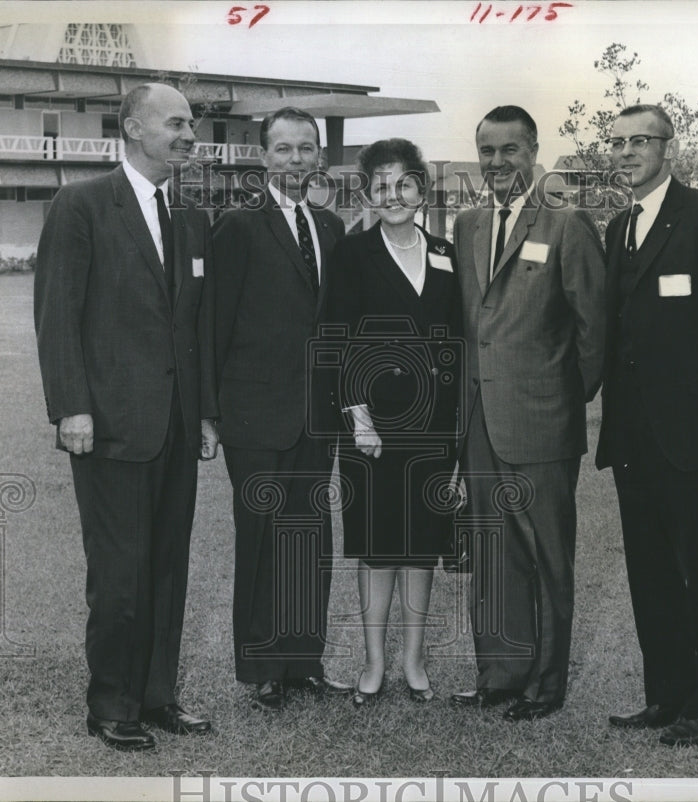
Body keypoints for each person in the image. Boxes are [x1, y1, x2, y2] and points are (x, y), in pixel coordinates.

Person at [34, 83, 218, 751]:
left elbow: (191, 330)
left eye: (191, 123)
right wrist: (71, 407)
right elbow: (58, 315)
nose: (188, 134)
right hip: (108, 426)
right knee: (119, 571)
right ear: (134, 128)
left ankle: (157, 697)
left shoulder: (191, 218)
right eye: (175, 123)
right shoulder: (81, 205)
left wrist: (204, 416)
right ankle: (112, 704)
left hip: (176, 426)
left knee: (168, 567)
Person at [596, 104, 698, 747]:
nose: (628, 152)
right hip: (633, 438)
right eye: (619, 143)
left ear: (669, 147)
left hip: (692, 437)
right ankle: (663, 695)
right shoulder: (617, 227)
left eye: (641, 141)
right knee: (650, 571)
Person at [450, 106, 605, 721]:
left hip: (542, 421)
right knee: (490, 553)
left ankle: (545, 684)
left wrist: (565, 400)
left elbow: (594, 328)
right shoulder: (465, 224)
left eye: (510, 150)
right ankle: (500, 674)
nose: (497, 163)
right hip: (480, 421)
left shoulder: (567, 224)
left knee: (544, 556)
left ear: (534, 151)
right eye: (487, 151)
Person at [213, 107, 349, 712]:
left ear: (317, 155)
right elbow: (214, 325)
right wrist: (210, 414)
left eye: (305, 149)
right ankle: (265, 669)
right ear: (264, 156)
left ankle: (304, 661)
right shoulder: (238, 227)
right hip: (254, 415)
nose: (296, 160)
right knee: (263, 539)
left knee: (310, 539)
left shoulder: (331, 228)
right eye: (283, 149)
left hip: (316, 417)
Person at [322, 139, 462, 707]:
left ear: (422, 192)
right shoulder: (352, 254)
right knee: (377, 548)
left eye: (404, 183)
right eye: (381, 186)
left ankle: (415, 661)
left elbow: (456, 338)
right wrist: (360, 419)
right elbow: (336, 341)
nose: (393, 195)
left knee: (421, 547)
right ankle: (375, 664)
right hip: (372, 431)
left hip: (434, 428)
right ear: (368, 195)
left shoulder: (446, 251)